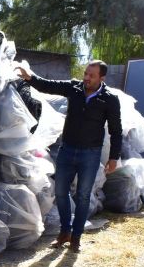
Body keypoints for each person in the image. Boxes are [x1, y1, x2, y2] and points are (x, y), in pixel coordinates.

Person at [15, 60, 121, 252]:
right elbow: (49, 85)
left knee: (83, 196)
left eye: (91, 76)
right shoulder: (74, 88)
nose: (86, 78)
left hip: (90, 154)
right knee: (61, 192)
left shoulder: (109, 99)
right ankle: (65, 232)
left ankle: (76, 237)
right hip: (67, 150)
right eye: (86, 73)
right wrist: (30, 77)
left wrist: (113, 158)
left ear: (102, 78)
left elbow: (116, 130)